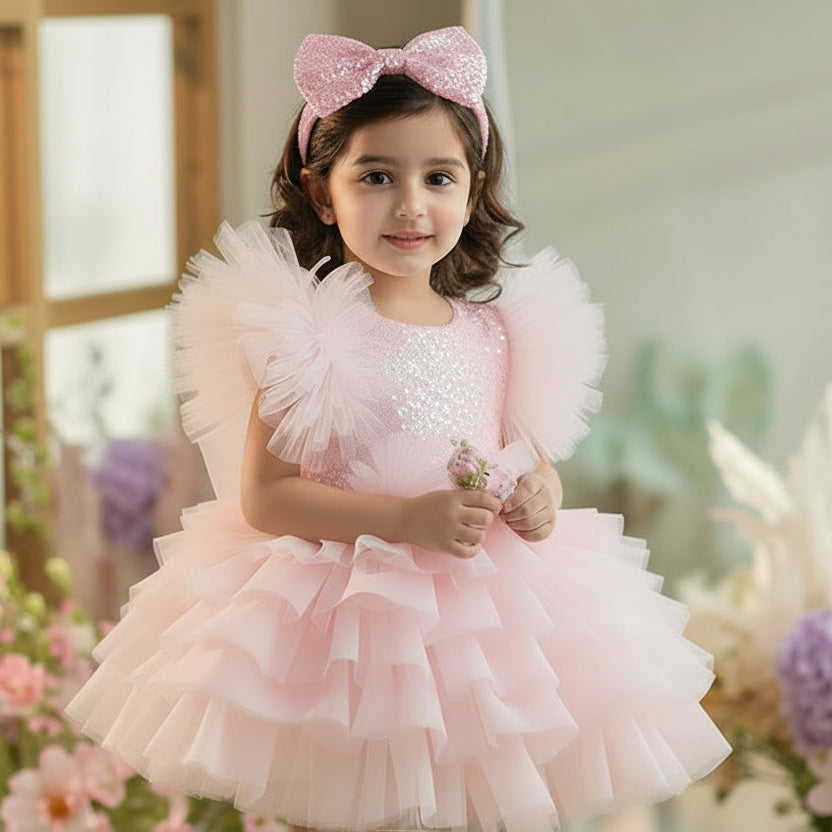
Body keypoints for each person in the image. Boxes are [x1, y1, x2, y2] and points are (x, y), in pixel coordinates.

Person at [66, 26, 730, 832]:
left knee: (475, 800)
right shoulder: (307, 332)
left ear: (472, 191)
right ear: (323, 194)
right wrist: (406, 520)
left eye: (438, 177)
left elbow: (524, 456)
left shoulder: (497, 332)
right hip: (345, 625)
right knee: (349, 804)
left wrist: (540, 493)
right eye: (376, 176)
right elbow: (268, 496)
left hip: (484, 623)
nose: (411, 205)